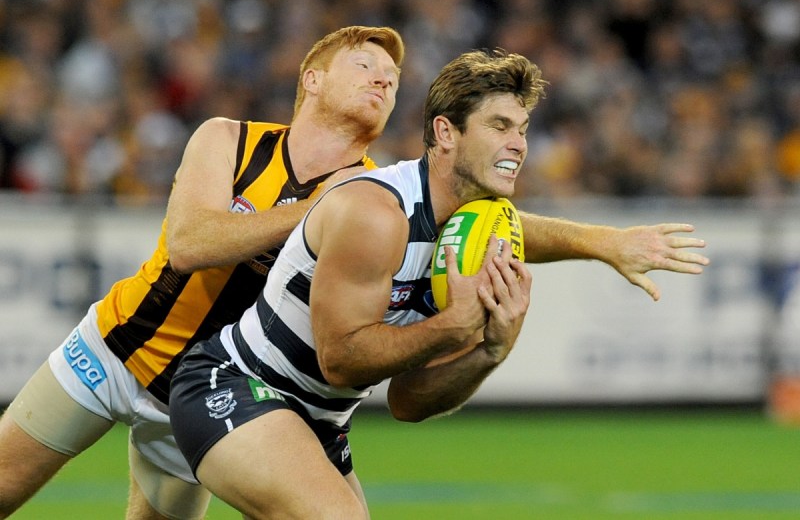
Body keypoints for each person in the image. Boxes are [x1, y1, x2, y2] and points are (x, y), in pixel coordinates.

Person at [0, 26, 708, 520]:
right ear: (311, 79)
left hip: (236, 387)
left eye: (392, 77)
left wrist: (602, 244)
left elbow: (494, 226)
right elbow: (189, 244)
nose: (382, 77)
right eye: (364, 64)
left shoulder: (375, 194)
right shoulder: (242, 144)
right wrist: (322, 210)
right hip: (125, 350)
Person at [164, 47, 654, 518]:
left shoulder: (474, 227)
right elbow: (340, 361)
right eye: (500, 126)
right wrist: (455, 326)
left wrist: (489, 350)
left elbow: (406, 403)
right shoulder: (377, 213)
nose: (519, 145)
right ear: (445, 132)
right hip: (234, 385)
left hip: (321, 422)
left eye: (523, 130)